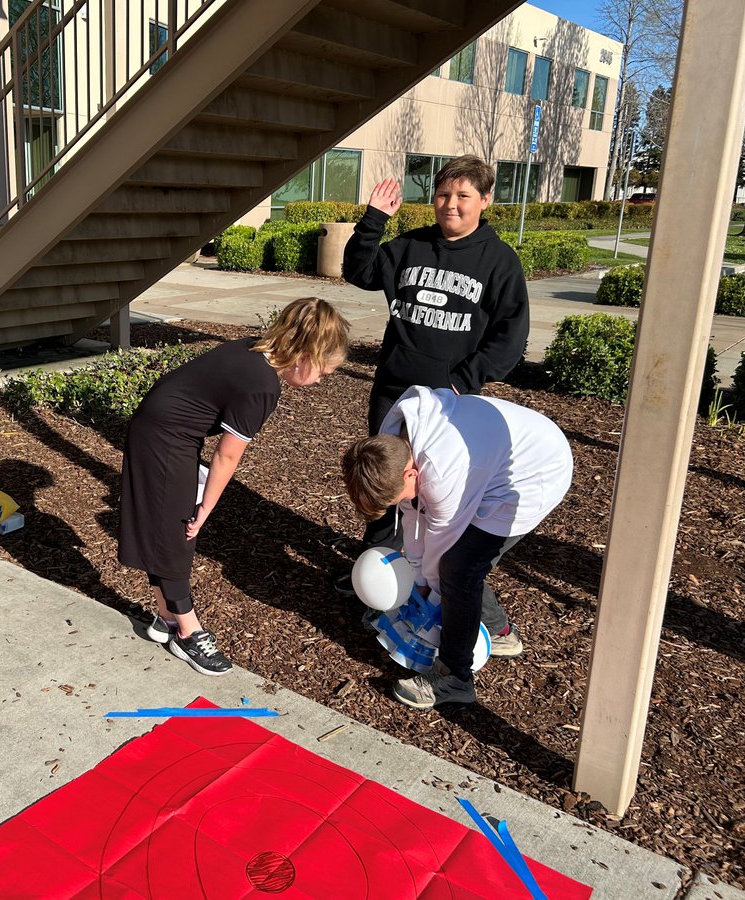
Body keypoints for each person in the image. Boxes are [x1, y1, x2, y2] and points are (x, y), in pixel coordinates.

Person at [119, 297, 350, 676]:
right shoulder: (262, 386)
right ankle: (188, 633)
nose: (321, 381)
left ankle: (165, 618)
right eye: (323, 372)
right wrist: (205, 506)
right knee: (179, 532)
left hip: (163, 427)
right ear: (304, 353)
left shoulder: (253, 351)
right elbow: (227, 457)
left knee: (166, 528)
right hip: (164, 436)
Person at [335, 155, 530, 596]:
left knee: (433, 489)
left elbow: (510, 337)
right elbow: (358, 270)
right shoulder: (411, 246)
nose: (451, 205)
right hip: (394, 389)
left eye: (463, 196)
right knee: (385, 482)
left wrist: (464, 380)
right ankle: (378, 568)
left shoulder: (499, 261)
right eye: (444, 195)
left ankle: (430, 577)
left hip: (450, 400)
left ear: (485, 200)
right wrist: (375, 220)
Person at [341, 385, 572, 708]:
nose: (402, 502)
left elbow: (441, 542)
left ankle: (454, 679)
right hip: (496, 455)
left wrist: (428, 590)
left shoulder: (441, 472)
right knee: (444, 574)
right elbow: (412, 516)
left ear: (411, 473)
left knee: (459, 571)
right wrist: (419, 583)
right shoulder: (390, 446)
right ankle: (498, 631)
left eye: (398, 496)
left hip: (533, 474)